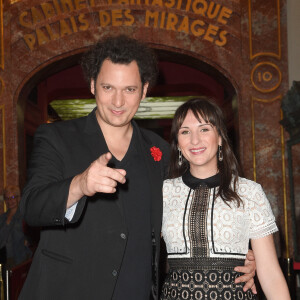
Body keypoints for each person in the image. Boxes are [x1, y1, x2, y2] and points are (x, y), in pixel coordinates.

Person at [19, 35, 256, 300]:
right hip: (68, 290)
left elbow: (193, 206)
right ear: (93, 85)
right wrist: (80, 185)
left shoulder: (161, 151)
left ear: (144, 90)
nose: (118, 102)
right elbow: (31, 207)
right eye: (108, 87)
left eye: (129, 90)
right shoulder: (57, 137)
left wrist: (239, 253)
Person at [161, 97, 291, 299]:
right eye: (185, 132)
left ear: (220, 137)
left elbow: (271, 273)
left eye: (204, 129)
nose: (195, 140)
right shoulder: (163, 192)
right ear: (178, 143)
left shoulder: (249, 192)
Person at [0, 186, 31, 269]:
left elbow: (31, 236)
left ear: (19, 198)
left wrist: (28, 241)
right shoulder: (2, 218)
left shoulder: (24, 216)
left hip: (19, 259)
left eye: (12, 197)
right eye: (7, 198)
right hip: (3, 260)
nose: (9, 201)